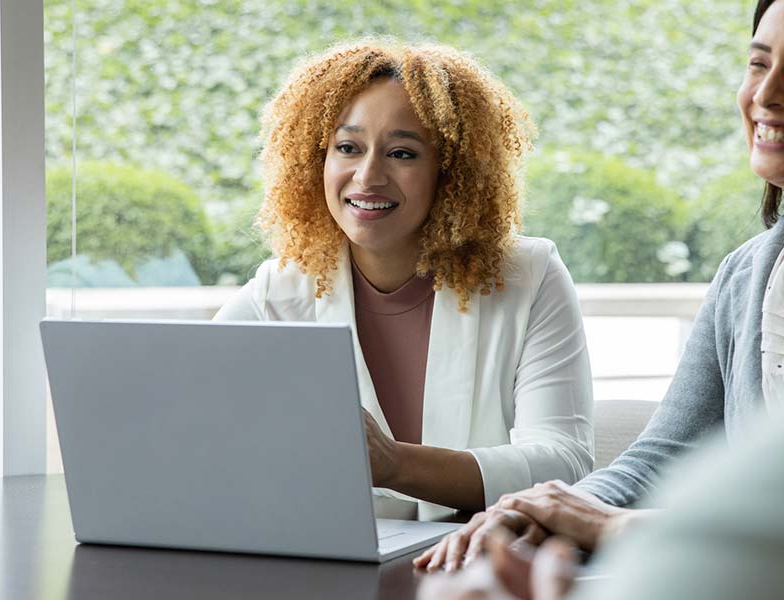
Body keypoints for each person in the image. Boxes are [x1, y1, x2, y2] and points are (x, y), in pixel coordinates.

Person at [421, 0, 784, 597]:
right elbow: (660, 458)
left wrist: (611, 524)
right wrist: (535, 510)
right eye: (758, 64)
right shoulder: (746, 273)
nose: (768, 94)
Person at [215, 40, 593, 519]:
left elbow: (565, 465)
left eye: (402, 153)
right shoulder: (279, 291)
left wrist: (393, 464)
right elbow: (188, 415)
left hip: (480, 575)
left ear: (450, 171)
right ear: (317, 161)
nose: (368, 176)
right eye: (347, 147)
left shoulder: (530, 277)